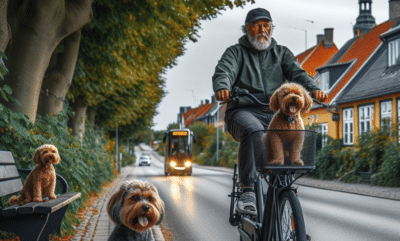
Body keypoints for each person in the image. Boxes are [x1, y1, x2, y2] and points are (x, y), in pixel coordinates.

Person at [212, 8, 328, 216]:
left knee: (293, 130)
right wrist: (223, 86)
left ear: (271, 29)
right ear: (247, 29)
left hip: (275, 112)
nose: (262, 30)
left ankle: (282, 188)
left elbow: (297, 73)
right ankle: (248, 191)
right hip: (243, 110)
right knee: (254, 130)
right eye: (257, 25)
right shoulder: (235, 52)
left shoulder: (281, 53)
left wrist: (314, 88)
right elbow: (225, 70)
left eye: (267, 26)